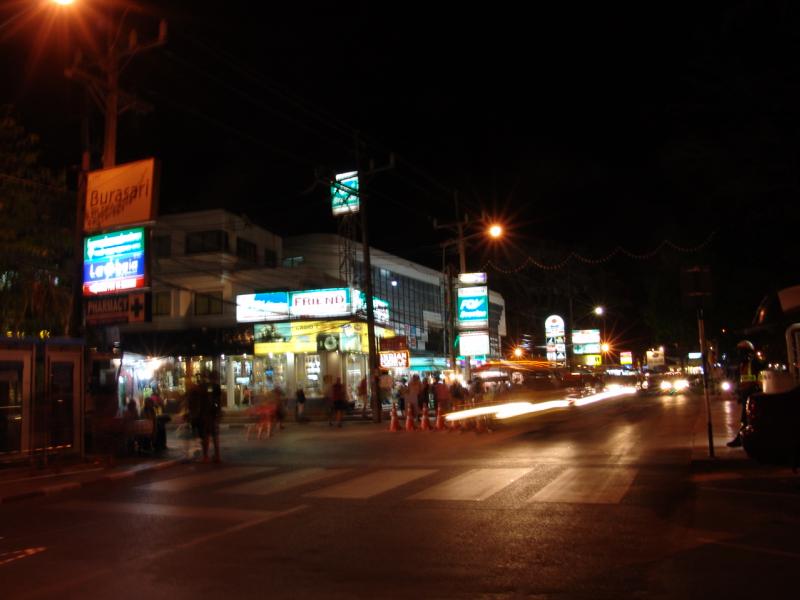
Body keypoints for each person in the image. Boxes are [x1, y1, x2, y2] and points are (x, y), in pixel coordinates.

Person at [727, 340, 763, 447]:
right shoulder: (743, 364)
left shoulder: (755, 363)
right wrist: (739, 392)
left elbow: (759, 379)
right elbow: (742, 380)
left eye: (741, 351)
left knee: (747, 419)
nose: (739, 354)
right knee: (746, 419)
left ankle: (742, 440)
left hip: (753, 394)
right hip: (746, 394)